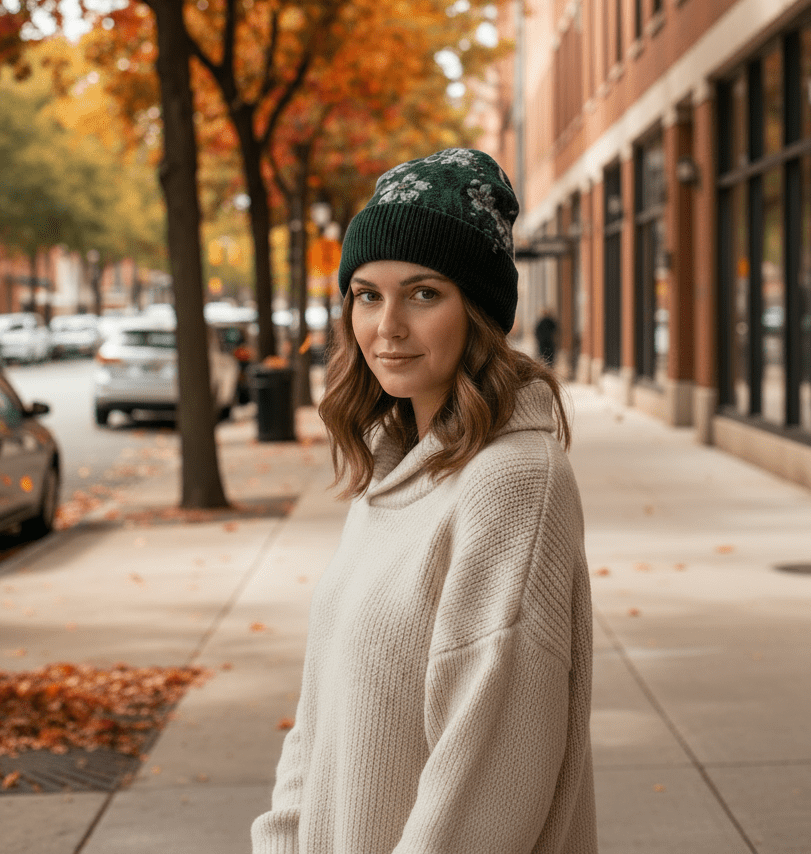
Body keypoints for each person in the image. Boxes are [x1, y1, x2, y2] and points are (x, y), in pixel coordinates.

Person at [251, 148, 596, 854]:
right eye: (367, 295)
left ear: (479, 310)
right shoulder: (391, 465)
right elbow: (318, 720)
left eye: (424, 293)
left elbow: (486, 788)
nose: (388, 326)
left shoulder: (513, 481)